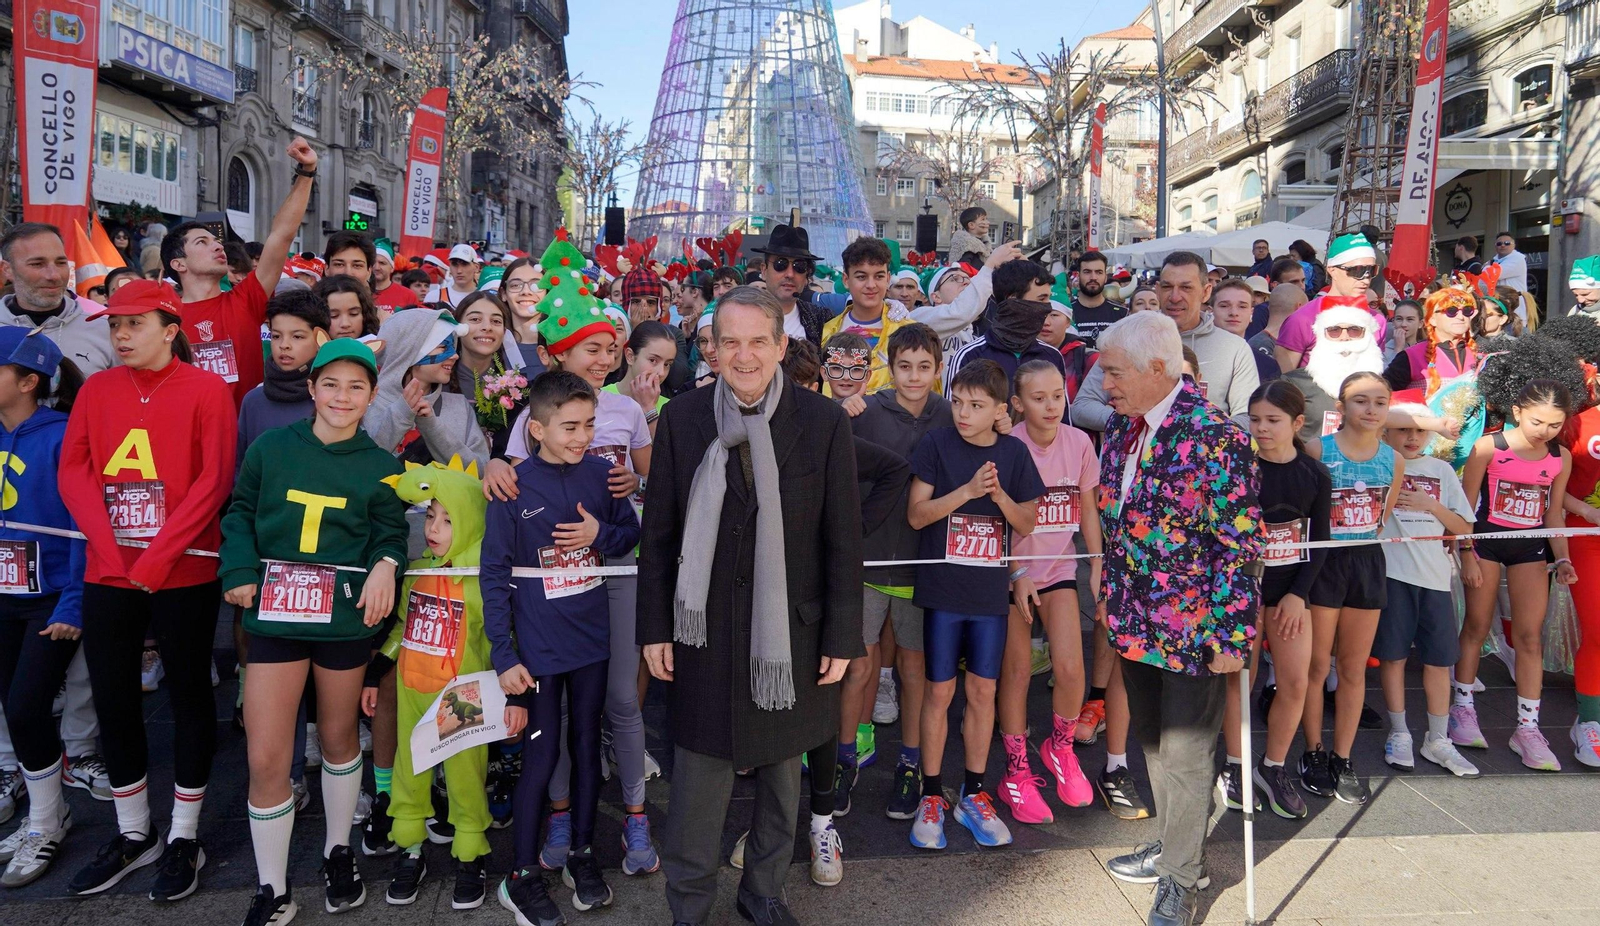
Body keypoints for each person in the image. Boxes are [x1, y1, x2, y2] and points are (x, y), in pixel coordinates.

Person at [638, 286, 863, 926]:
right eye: (728, 341)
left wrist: (843, 637)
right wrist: (655, 626)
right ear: (710, 347)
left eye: (757, 341)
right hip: (702, 629)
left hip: (789, 633)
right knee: (698, 784)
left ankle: (763, 891)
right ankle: (689, 904)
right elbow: (658, 535)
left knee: (782, 777)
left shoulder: (822, 424)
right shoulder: (682, 418)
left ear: (781, 345)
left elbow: (843, 541)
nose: (743, 356)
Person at [58, 280, 237, 899]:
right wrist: (107, 547)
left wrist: (157, 556)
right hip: (109, 569)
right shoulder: (99, 389)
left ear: (171, 328)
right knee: (113, 696)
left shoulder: (207, 390)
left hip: (184, 569)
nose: (122, 336)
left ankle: (185, 833)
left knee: (189, 692)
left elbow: (214, 480)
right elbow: (75, 467)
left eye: (136, 324)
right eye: (115, 325)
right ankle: (135, 833)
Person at [221, 339, 406, 925]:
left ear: (372, 395)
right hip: (276, 617)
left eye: (356, 387)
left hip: (344, 621)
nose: (342, 396)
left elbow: (390, 532)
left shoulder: (382, 465)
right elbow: (240, 513)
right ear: (311, 388)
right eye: (331, 384)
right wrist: (241, 569)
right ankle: (272, 886)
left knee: (339, 739)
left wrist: (385, 564)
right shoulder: (272, 448)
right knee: (268, 754)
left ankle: (337, 851)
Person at [1095, 312, 1262, 926]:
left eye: (1113, 372)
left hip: (1196, 625)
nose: (1104, 384)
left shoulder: (1217, 436)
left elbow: (1239, 542)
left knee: (1189, 756)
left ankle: (1182, 880)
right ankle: (1172, 846)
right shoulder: (1121, 427)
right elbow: (1117, 519)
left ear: (1157, 369)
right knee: (1154, 744)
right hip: (1135, 616)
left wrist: (1233, 633)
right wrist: (1111, 592)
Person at [492, 288, 660, 883]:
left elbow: (634, 508)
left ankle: (630, 814)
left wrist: (606, 527)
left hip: (605, 588)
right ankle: (558, 820)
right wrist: (494, 467)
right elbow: (510, 497)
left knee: (616, 703)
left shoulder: (628, 416)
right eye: (591, 348)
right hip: (547, 611)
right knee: (552, 730)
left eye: (610, 349)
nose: (602, 357)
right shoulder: (532, 421)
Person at [484, 371, 640, 920]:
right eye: (569, 426)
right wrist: (505, 656)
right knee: (541, 754)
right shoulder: (512, 486)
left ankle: (581, 852)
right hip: (539, 648)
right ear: (537, 428)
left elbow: (627, 534)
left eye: (590, 425)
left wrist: (601, 535)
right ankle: (522, 875)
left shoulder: (602, 474)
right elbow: (493, 573)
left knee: (586, 747)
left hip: (592, 636)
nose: (582, 436)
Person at [903, 359, 1044, 851]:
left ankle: (975, 793)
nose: (963, 413)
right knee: (938, 693)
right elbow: (917, 516)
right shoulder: (937, 444)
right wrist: (964, 492)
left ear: (1001, 410)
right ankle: (931, 794)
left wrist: (999, 495)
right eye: (958, 402)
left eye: (977, 405)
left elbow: (1025, 524)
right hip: (943, 590)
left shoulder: (1014, 452)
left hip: (988, 596)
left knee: (983, 692)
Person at [848, 324, 951, 822]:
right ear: (891, 365)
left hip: (924, 563)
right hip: (868, 558)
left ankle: (909, 763)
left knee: (914, 671)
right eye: (904, 366)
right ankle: (844, 758)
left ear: (937, 369)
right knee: (858, 667)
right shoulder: (864, 412)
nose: (914, 376)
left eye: (924, 367)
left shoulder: (953, 415)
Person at [1451, 380, 1577, 770]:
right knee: (1476, 625)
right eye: (1538, 421)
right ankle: (1462, 709)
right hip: (1485, 542)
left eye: (1555, 425)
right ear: (1518, 410)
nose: (1545, 431)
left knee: (1529, 637)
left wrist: (1563, 559)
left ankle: (1527, 727)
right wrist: (1467, 553)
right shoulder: (1489, 447)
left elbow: (1553, 513)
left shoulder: (1560, 457)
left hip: (1530, 547)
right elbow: (1465, 507)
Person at [995, 361, 1100, 825]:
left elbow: (1090, 511)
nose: (1051, 405)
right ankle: (1015, 769)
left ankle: (1058, 748)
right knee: (1016, 673)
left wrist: (1096, 564)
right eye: (1039, 398)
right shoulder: (1007, 446)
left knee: (1072, 667)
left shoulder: (1079, 443)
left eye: (1058, 395)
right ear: (1018, 404)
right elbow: (994, 518)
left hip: (1059, 566)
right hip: (1012, 573)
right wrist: (1015, 570)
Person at [0, 329, 86, 887]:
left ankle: (49, 821)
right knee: (13, 707)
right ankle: (45, 810)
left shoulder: (60, 436)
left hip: (50, 600)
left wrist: (76, 601)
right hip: (2, 596)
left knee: (30, 708)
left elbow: (84, 527)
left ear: (28, 382)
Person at [1221, 381, 1327, 821]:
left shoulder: (1314, 474)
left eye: (1273, 421)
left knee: (1296, 680)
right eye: (1255, 419)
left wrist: (1299, 597)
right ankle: (1234, 766)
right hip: (1245, 590)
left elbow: (1320, 543)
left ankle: (1275, 765)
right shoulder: (1239, 468)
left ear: (1297, 423)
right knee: (1239, 681)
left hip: (1290, 592)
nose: (1261, 428)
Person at [1298, 372, 1402, 806]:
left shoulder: (1393, 458)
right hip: (1324, 562)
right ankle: (1313, 752)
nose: (1371, 409)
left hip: (1366, 562)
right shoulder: (1319, 449)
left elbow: (1384, 513)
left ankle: (1343, 756)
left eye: (1380, 401)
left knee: (1355, 668)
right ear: (1341, 408)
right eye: (1361, 401)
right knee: (1317, 666)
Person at [1372, 397, 1481, 778]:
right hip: (1391, 576)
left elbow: (1465, 527)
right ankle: (1400, 733)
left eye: (1421, 429)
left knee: (1439, 660)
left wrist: (1430, 505)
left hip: (1435, 579)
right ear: (1385, 430)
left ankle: (1437, 739)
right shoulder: (1378, 464)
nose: (1413, 436)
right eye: (1403, 428)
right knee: (1394, 657)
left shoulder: (1442, 470)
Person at [163, 140, 317, 406]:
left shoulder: (245, 300)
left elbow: (281, 235)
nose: (217, 246)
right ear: (178, 264)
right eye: (202, 242)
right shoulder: (163, 320)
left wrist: (306, 172)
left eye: (216, 241)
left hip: (247, 436)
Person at [1073, 251, 1259, 430]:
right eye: (1168, 287)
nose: (1175, 297)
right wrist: (1135, 425)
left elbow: (1248, 417)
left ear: (1206, 292)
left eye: (1186, 288)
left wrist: (1196, 430)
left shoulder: (1234, 349)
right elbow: (1082, 406)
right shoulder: (1127, 336)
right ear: (1158, 289)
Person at [366, 309, 490, 469]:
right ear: (408, 352)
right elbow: (363, 466)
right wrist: (401, 413)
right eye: (443, 348)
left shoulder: (459, 406)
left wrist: (431, 427)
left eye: (454, 347)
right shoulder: (366, 403)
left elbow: (480, 471)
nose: (454, 356)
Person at [0, 223, 118, 374]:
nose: (54, 275)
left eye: (61, 263)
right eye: (37, 264)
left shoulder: (104, 329)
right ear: (7, 270)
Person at [1276, 233, 1388, 371]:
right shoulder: (1302, 319)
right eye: (1357, 270)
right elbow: (1284, 382)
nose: (1365, 279)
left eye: (1371, 270)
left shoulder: (1378, 321)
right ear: (1332, 270)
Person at [944, 282, 1069, 405]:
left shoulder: (1052, 355)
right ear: (1013, 299)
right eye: (1042, 299)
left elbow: (1063, 419)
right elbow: (954, 416)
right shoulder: (970, 355)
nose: (1047, 308)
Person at [821, 238, 915, 394]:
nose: (871, 285)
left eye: (878, 276)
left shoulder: (908, 332)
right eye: (861, 277)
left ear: (888, 278)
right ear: (846, 280)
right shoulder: (826, 332)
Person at [910, 241, 1020, 354]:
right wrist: (991, 264)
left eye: (968, 279)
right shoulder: (920, 317)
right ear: (936, 297)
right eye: (954, 279)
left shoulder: (974, 330)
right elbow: (960, 312)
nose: (965, 283)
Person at [1384, 288, 1480, 396]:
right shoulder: (1411, 356)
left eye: (1467, 311)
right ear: (1432, 319)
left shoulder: (1481, 355)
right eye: (1451, 311)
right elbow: (1383, 394)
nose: (1461, 317)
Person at [754, 225, 838, 345]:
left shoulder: (823, 320)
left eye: (799, 266)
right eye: (780, 264)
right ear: (764, 270)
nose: (790, 274)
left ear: (807, 276)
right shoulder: (742, 317)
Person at [1213, 278, 1277, 386]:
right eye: (1224, 306)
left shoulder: (1268, 366)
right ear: (1211, 311)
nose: (1234, 313)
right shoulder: (1193, 357)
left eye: (1242, 306)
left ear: (1251, 313)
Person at [1038, 300, 1096, 402]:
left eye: (1054, 315)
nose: (1046, 322)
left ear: (1068, 321)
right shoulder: (1020, 355)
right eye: (1041, 314)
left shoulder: (1089, 358)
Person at [1068, 251, 1128, 351]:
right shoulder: (1066, 312)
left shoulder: (1122, 314)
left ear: (1105, 277)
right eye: (1087, 272)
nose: (1093, 277)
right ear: (1078, 276)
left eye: (1099, 272)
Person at [1249, 283, 1306, 384]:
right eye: (1306, 310)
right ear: (1299, 308)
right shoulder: (1261, 346)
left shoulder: (1254, 344)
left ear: (1269, 308)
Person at [315, 274, 382, 341]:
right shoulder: (309, 350)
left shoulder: (379, 345)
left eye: (353, 314)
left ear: (365, 315)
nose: (345, 324)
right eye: (334, 316)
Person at [371, 239, 419, 311]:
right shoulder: (359, 293)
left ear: (392, 268)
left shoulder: (408, 295)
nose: (377, 267)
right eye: (373, 262)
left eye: (382, 263)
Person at [428, 245, 482, 309]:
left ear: (476, 267)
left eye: (465, 264)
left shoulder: (486, 297)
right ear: (449, 267)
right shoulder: (434, 297)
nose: (459, 271)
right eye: (454, 264)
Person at [1473, 288, 1519, 354]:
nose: (1480, 317)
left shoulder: (1514, 346)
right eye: (1478, 313)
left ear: (1502, 319)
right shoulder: (1470, 344)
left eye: (1486, 314)